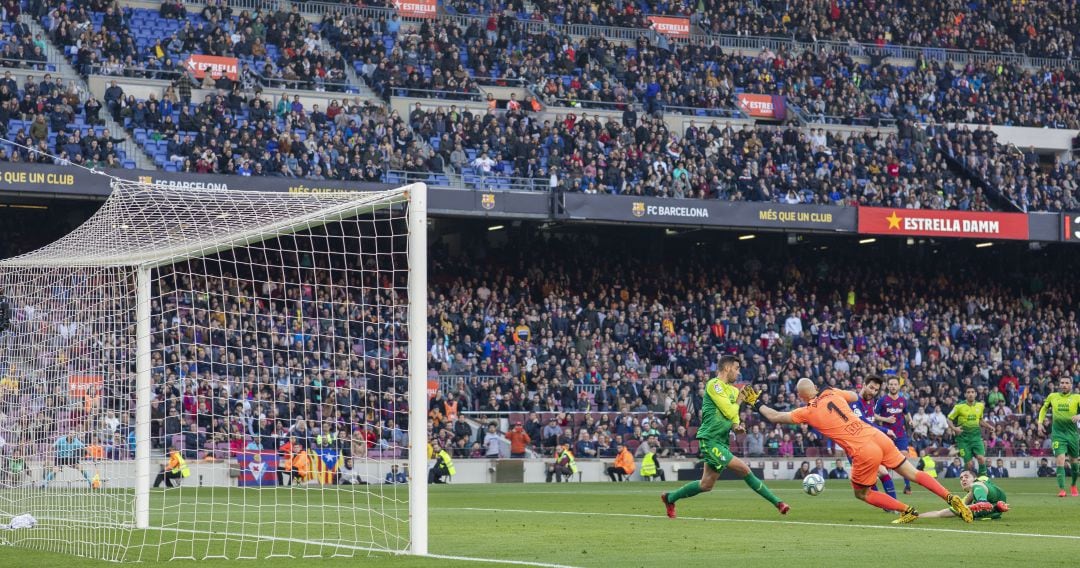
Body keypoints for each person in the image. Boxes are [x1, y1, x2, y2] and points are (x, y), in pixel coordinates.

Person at [747, 378, 972, 524]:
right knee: (911, 472)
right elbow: (855, 396)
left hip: (862, 449)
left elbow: (774, 416)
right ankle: (951, 498)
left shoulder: (806, 411)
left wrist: (756, 403)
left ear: (801, 397)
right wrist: (834, 392)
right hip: (876, 436)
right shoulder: (832, 393)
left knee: (861, 493)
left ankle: (907, 510)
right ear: (815, 387)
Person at [661, 356, 788, 518]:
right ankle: (778, 503)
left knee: (706, 484)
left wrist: (737, 427)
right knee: (744, 469)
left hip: (722, 441)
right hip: (710, 440)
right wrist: (741, 399)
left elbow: (733, 416)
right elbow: (729, 410)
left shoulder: (734, 390)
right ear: (727, 368)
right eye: (736, 368)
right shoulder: (714, 385)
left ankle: (669, 498)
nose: (738, 372)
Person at [849, 376, 898, 497]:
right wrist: (885, 430)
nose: (873, 392)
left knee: (881, 473)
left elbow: (871, 421)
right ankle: (891, 505)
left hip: (868, 444)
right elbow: (863, 422)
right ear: (864, 385)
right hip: (856, 447)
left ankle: (891, 505)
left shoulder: (870, 401)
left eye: (876, 390)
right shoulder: (855, 402)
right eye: (871, 388)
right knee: (873, 479)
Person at [1036, 376, 1080, 497]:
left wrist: (1079, 416)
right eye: (1062, 383)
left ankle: (1073, 485)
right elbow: (1043, 409)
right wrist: (1040, 423)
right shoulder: (1052, 396)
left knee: (1074, 463)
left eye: (1067, 383)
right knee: (1060, 460)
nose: (1064, 385)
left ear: (1071, 385)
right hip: (1058, 435)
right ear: (1059, 384)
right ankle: (1062, 489)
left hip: (1073, 435)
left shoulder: (1077, 398)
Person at [917, 471, 1009, 522]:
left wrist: (980, 498)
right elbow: (940, 513)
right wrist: (917, 516)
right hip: (996, 508)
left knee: (976, 486)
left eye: (966, 476)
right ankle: (994, 507)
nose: (963, 479)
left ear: (974, 478)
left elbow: (981, 482)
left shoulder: (979, 481)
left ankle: (983, 502)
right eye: (961, 478)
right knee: (962, 509)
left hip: (994, 494)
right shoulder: (969, 495)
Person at [876, 376, 914, 493]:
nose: (893, 386)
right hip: (886, 435)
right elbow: (874, 415)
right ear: (887, 386)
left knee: (904, 458)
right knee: (885, 462)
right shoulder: (882, 400)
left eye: (895, 384)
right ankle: (881, 485)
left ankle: (907, 486)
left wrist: (910, 420)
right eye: (891, 384)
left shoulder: (903, 400)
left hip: (900, 434)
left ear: (898, 386)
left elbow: (906, 413)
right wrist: (886, 419)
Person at [948, 385, 991, 478]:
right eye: (968, 392)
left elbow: (980, 420)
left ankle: (983, 479)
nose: (970, 394)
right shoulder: (958, 406)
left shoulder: (980, 406)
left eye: (972, 392)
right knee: (970, 464)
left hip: (976, 437)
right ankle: (966, 479)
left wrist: (988, 426)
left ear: (975, 394)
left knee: (981, 458)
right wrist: (954, 428)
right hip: (963, 440)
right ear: (965, 395)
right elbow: (949, 419)